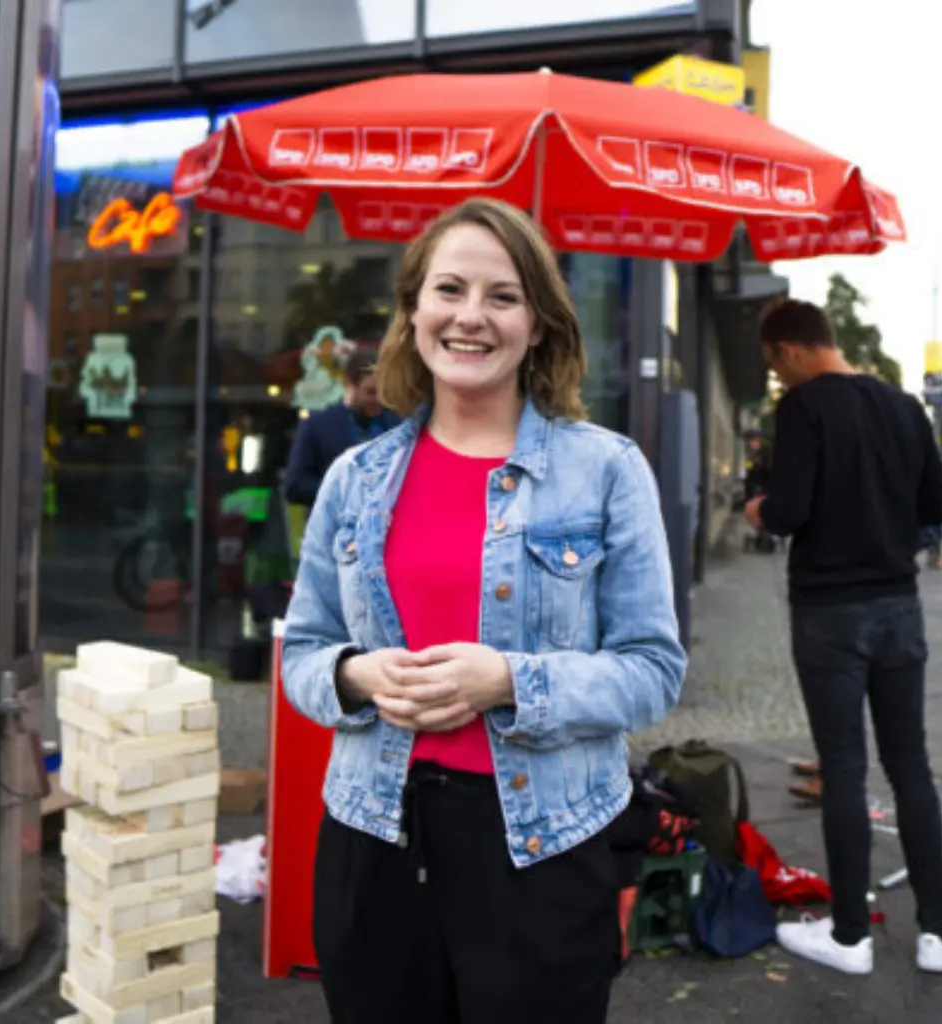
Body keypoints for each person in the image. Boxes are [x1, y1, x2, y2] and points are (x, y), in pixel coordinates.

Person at [282, 197, 686, 1023]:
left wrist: (510, 680)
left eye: (502, 296)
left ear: (538, 325)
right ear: (414, 311)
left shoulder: (607, 471)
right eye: (450, 289)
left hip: (543, 844)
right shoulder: (353, 479)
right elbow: (303, 654)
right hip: (372, 834)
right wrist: (354, 675)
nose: (471, 317)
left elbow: (652, 671)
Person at [745, 298, 942, 976]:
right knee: (911, 768)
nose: (779, 381)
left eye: (775, 369)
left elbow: (787, 512)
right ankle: (938, 930)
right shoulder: (905, 407)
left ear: (788, 351)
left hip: (828, 615)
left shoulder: (804, 409)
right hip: (900, 608)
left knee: (842, 766)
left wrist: (759, 506)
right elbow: (935, 509)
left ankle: (849, 937)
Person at [283, 346, 400, 509]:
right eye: (371, 392)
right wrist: (346, 494)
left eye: (384, 391)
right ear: (350, 385)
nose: (379, 399)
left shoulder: (398, 424)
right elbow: (295, 486)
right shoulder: (317, 425)